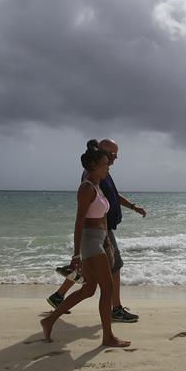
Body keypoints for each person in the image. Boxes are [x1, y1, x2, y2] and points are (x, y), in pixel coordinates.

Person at [47, 138, 147, 323]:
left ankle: (58, 296)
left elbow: (113, 195)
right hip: (100, 230)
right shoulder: (91, 175)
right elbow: (85, 211)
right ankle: (116, 309)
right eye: (113, 155)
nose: (115, 159)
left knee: (89, 270)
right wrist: (77, 251)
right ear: (103, 152)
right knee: (114, 267)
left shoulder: (104, 171)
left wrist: (133, 207)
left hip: (102, 230)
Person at [40, 141, 129, 347]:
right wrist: (76, 255)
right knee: (106, 289)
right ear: (94, 166)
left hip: (99, 240)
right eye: (106, 164)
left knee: (89, 290)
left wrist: (107, 239)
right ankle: (108, 337)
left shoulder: (98, 186)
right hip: (89, 243)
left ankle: (49, 320)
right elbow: (79, 222)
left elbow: (103, 217)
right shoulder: (87, 188)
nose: (109, 167)